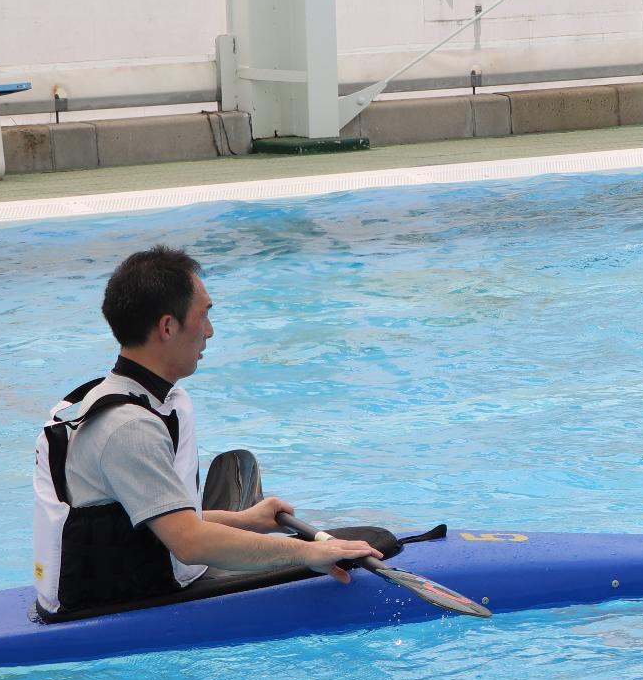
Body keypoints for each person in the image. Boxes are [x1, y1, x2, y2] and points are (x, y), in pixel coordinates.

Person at [33, 246, 382, 618]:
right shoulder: (129, 427)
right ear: (168, 327)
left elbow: (157, 519)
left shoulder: (131, 398)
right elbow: (189, 542)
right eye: (204, 315)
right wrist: (309, 553)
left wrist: (247, 521)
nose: (210, 331)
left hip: (119, 584)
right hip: (111, 608)